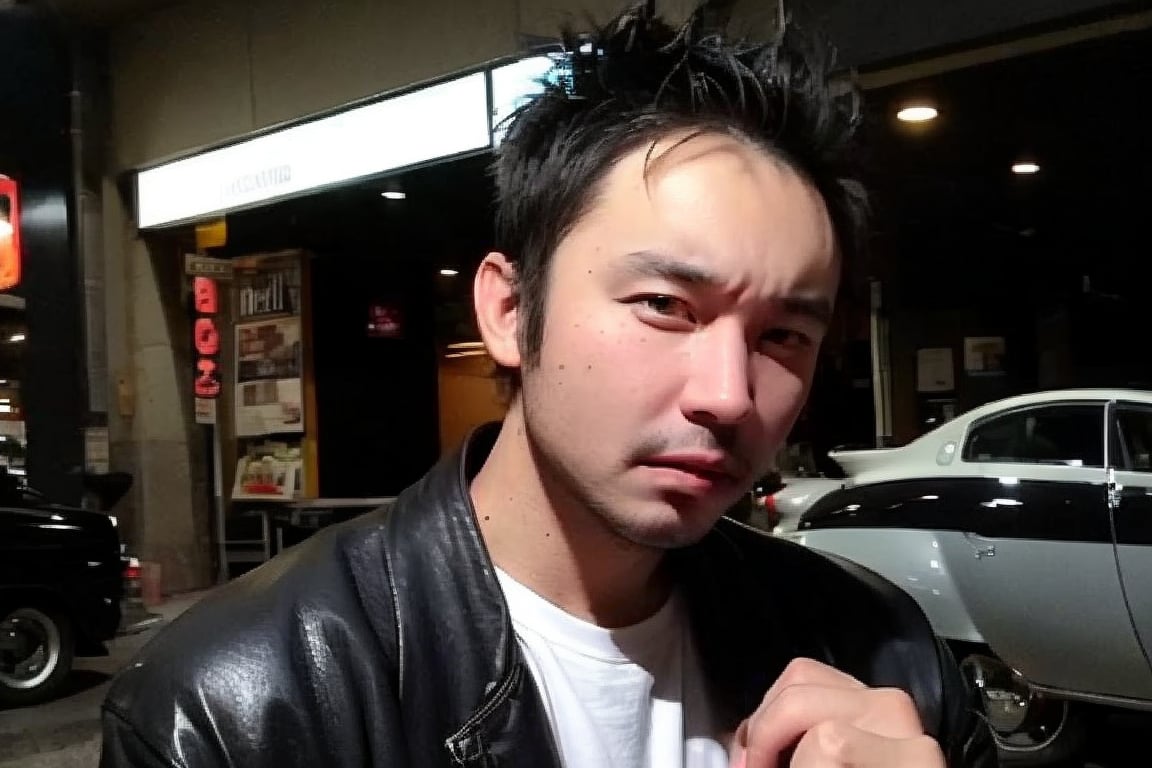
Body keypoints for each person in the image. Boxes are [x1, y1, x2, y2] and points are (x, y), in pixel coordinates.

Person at [100, 2, 995, 766]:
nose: (729, 393)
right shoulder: (240, 706)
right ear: (508, 309)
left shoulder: (884, 656)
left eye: (784, 335)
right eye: (664, 305)